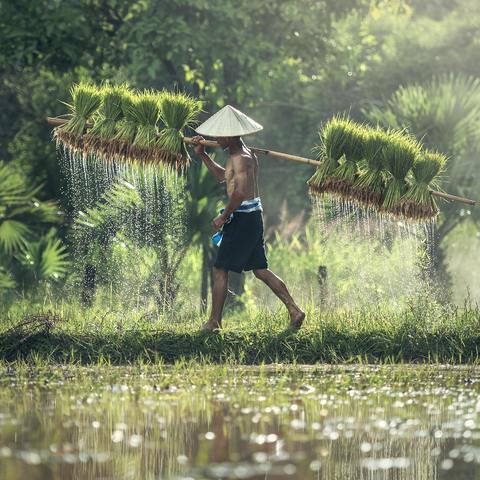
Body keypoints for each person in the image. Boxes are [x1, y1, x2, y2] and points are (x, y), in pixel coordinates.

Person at [191, 105, 305, 331]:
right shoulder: (238, 155)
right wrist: (203, 155)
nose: (215, 138)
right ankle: (295, 310)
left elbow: (240, 193)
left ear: (232, 135)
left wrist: (224, 216)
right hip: (251, 217)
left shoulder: (242, 158)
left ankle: (214, 322)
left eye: (220, 134)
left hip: (243, 218)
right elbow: (224, 178)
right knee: (260, 270)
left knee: (220, 268)